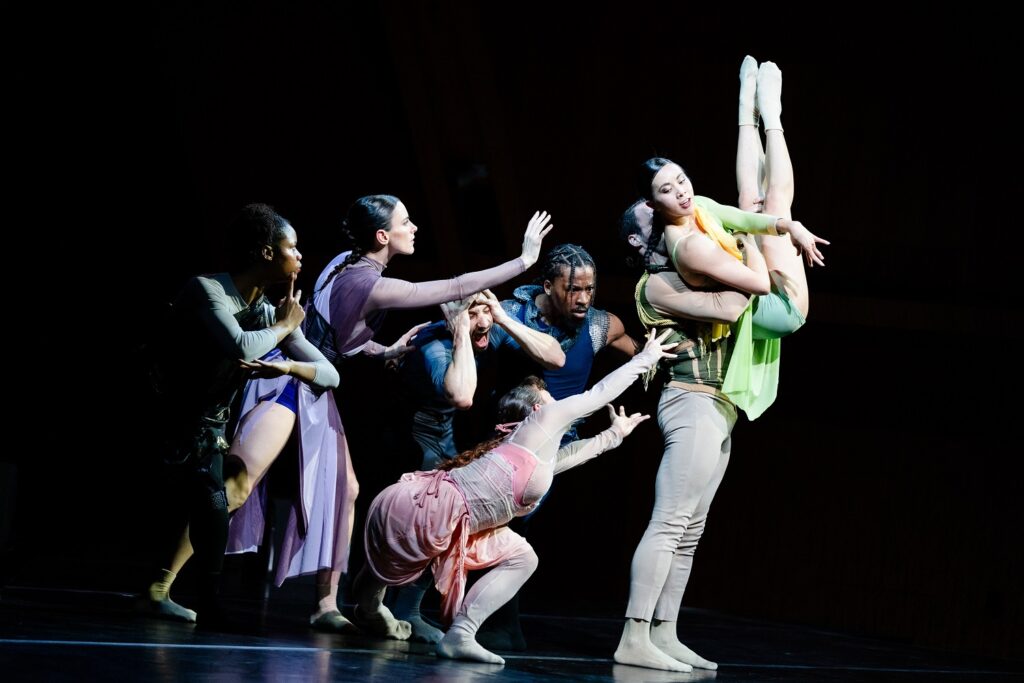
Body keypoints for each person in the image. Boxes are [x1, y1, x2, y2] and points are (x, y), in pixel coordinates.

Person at [217, 196, 555, 634]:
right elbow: (454, 287)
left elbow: (338, 335)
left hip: (313, 383)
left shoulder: (345, 263)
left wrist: (385, 349)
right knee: (241, 486)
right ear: (383, 236)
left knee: (344, 488)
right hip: (288, 381)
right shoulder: (371, 284)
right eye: (406, 222)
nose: (414, 228)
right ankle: (172, 581)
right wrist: (524, 260)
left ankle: (326, 604)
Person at [614, 57, 826, 672]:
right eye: (656, 204)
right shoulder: (660, 280)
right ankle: (634, 635)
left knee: (691, 528)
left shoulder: (687, 243)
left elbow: (735, 286)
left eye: (675, 190)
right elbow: (739, 301)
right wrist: (756, 251)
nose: (674, 204)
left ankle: (665, 631)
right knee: (671, 519)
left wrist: (763, 231)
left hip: (719, 401)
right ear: (641, 233)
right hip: (693, 400)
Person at [353, 330, 678, 664]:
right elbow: (598, 394)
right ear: (537, 408)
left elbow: (569, 458)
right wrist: (645, 358)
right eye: (549, 396)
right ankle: (375, 608)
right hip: (424, 506)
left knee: (523, 556)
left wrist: (613, 435)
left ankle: (459, 634)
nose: (558, 401)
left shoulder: (531, 452)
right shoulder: (542, 420)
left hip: (438, 511)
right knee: (379, 589)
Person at [142, 203, 340, 627]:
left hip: (206, 425)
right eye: (293, 247)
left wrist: (286, 365)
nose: (300, 256)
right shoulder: (207, 290)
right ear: (267, 252)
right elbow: (242, 347)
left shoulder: (270, 310)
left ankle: (191, 597)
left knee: (214, 498)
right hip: (164, 413)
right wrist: (286, 329)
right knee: (197, 499)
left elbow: (331, 375)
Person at [385, 291, 565, 643]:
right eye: (473, 313)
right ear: (453, 315)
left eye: (486, 311)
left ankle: (404, 609)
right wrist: (456, 331)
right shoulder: (434, 346)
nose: (483, 321)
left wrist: (501, 317)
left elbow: (556, 357)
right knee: (424, 528)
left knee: (438, 530)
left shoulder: (485, 326)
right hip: (415, 441)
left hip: (444, 442)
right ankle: (392, 609)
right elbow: (462, 396)